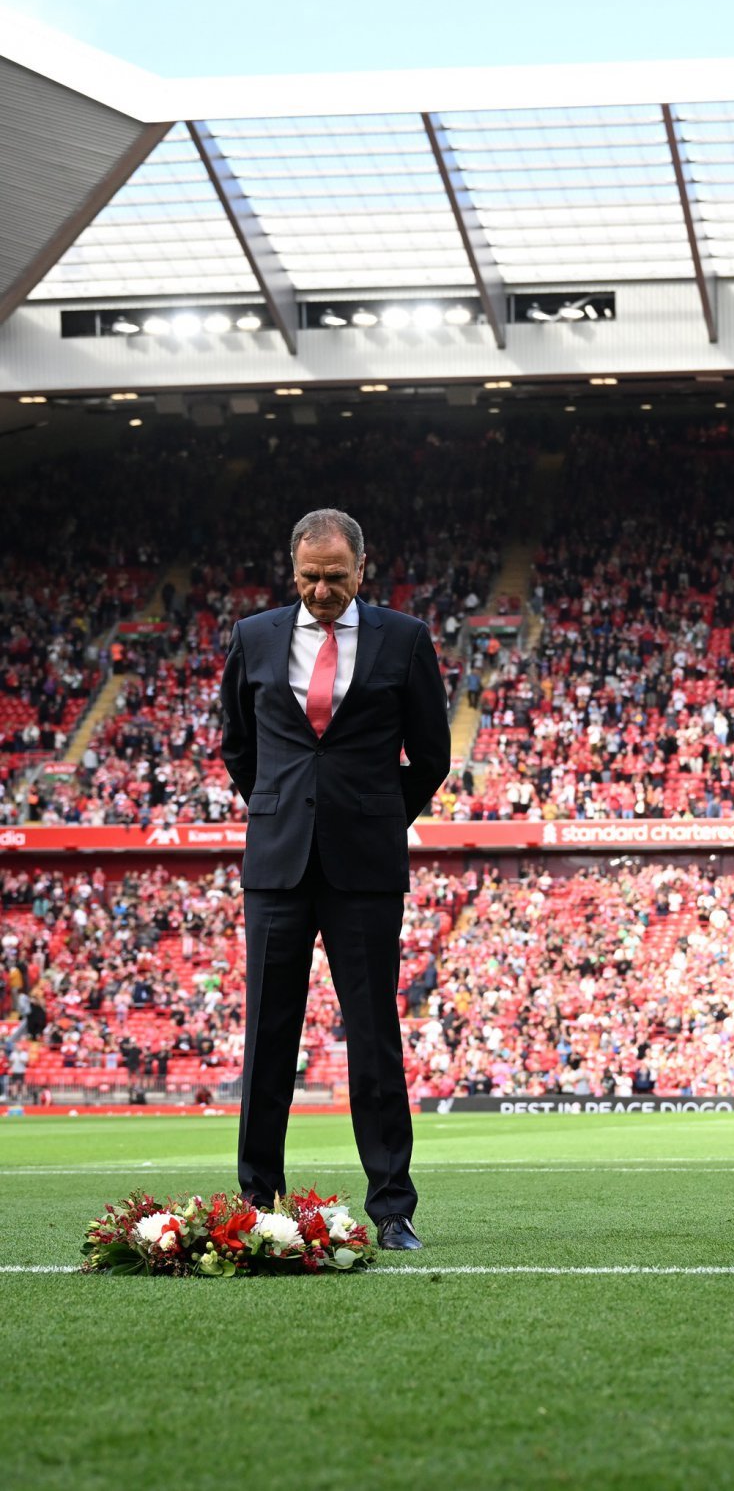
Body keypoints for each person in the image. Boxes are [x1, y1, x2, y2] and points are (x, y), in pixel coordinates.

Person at [221, 508, 450, 1250]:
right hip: (277, 865)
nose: (322, 590)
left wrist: (376, 816)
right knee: (267, 1038)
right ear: (293, 570)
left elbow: (433, 754)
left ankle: (393, 1209)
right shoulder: (254, 636)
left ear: (362, 569)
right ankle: (257, 1202)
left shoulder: (405, 639)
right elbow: (238, 746)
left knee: (375, 1037)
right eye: (309, 577)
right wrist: (282, 809)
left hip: (366, 868)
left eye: (336, 576)